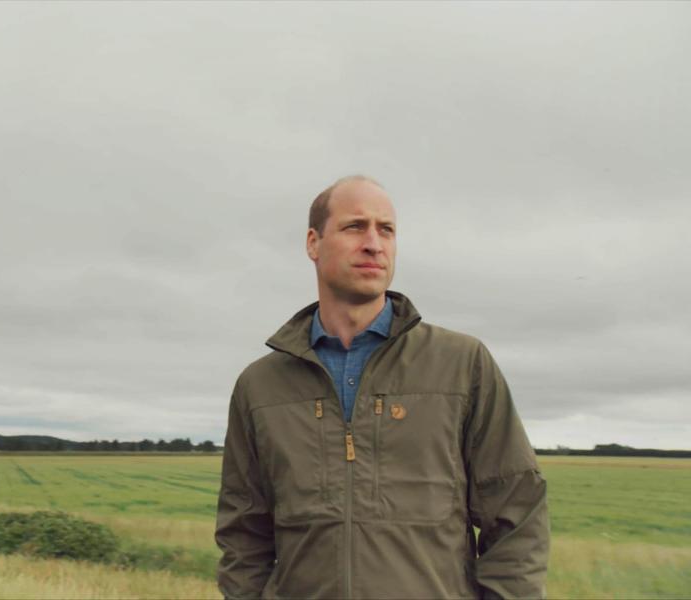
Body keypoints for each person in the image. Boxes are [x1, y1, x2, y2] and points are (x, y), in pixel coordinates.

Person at [215, 176, 549, 599]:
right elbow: (243, 533)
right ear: (313, 243)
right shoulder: (260, 386)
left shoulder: (462, 364)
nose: (374, 243)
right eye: (355, 226)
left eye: (386, 229)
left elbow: (517, 511)